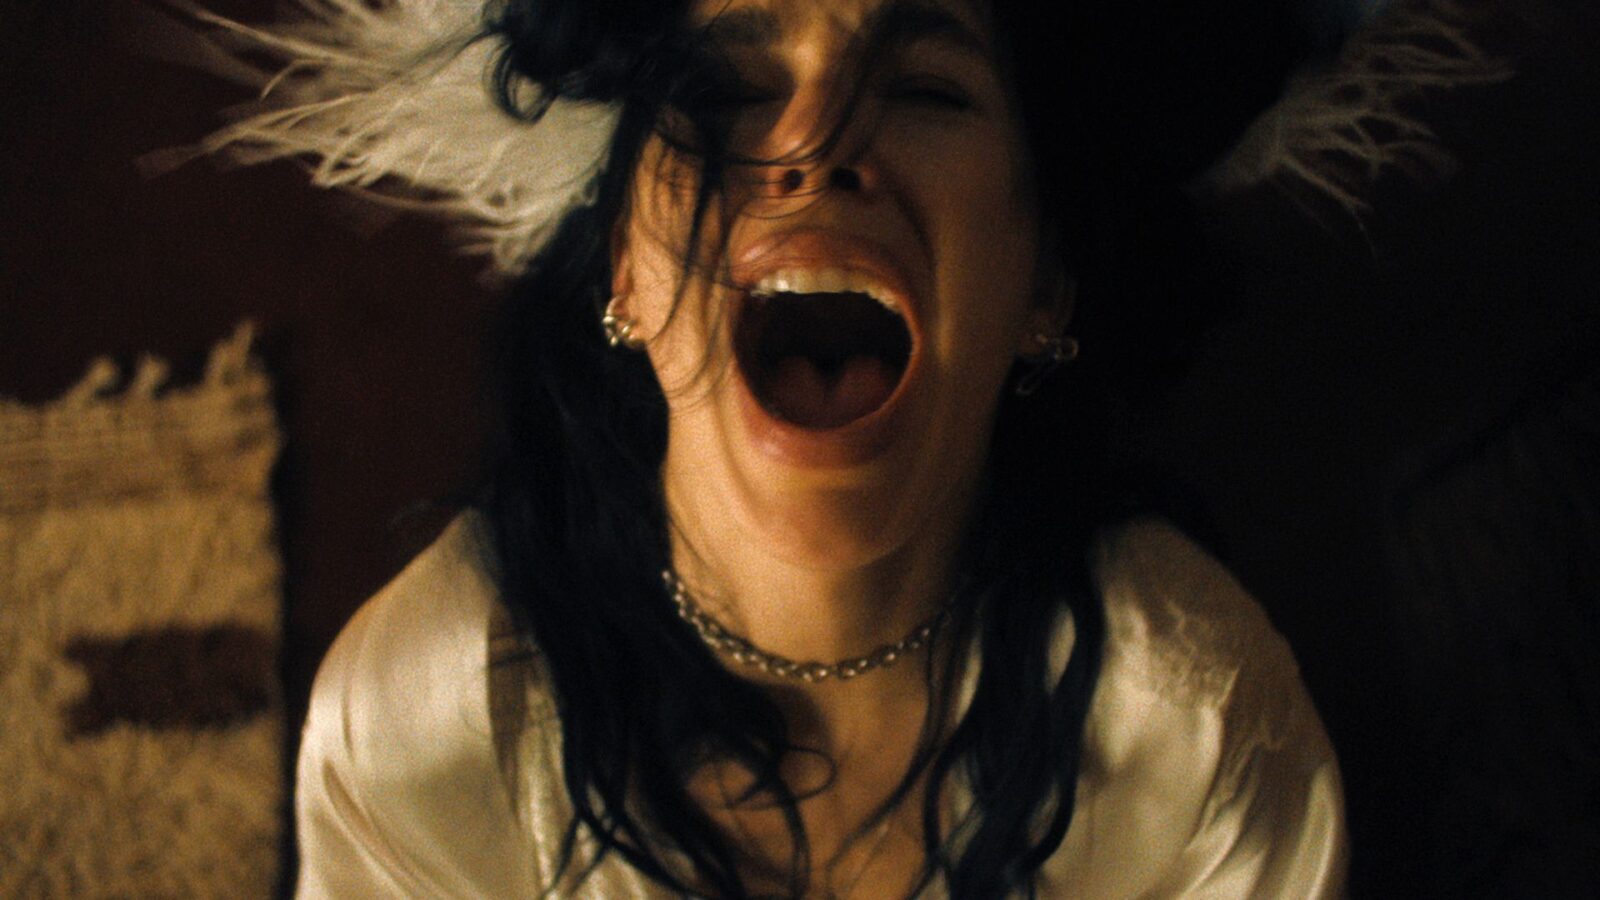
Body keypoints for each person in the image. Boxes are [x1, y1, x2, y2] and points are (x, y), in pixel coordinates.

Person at [186, 0, 1351, 895]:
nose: (812, 138)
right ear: (623, 273)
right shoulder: (429, 732)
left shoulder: (1194, 732)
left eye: (927, 90)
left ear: (1044, 282)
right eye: (729, 86)